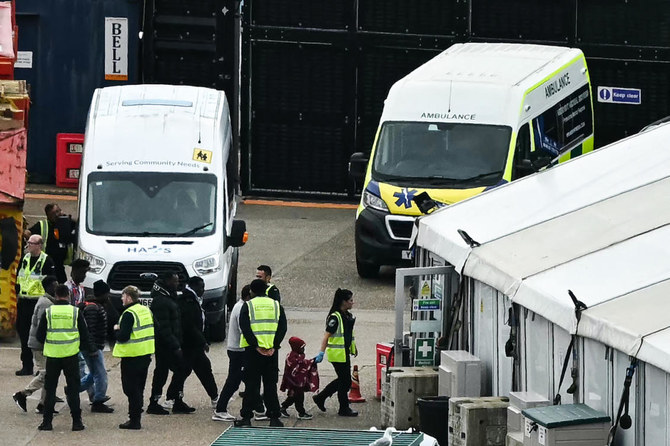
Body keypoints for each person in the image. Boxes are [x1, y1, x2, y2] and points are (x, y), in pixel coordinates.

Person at [36, 284, 97, 431]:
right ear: (68, 295)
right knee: (73, 389)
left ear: (56, 295)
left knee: (50, 390)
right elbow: (84, 334)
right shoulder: (75, 312)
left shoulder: (49, 312)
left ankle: (47, 422)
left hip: (53, 356)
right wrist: (91, 350)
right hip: (71, 356)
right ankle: (77, 422)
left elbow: (39, 336)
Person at [234, 279, 287, 427]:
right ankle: (274, 418)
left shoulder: (248, 305)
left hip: (253, 352)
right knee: (270, 385)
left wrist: (257, 346)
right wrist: (274, 346)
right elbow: (282, 328)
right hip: (272, 352)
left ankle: (246, 418)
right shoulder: (276, 305)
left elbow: (245, 327)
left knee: (251, 385)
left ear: (251, 291)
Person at [148, 272, 194, 414]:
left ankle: (176, 400)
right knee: (164, 372)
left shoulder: (169, 297)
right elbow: (164, 328)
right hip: (165, 345)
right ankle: (155, 402)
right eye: (174, 281)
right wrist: (175, 346)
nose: (177, 284)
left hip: (171, 343)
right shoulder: (161, 301)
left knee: (180, 370)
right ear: (167, 281)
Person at [13, 275, 59, 414]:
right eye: (55, 285)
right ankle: (22, 394)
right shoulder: (46, 303)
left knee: (49, 374)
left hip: (42, 343)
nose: (57, 287)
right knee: (46, 374)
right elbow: (42, 328)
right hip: (40, 345)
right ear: (49, 287)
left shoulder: (48, 301)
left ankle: (44, 404)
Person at [113, 285, 155, 430]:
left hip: (131, 357)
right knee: (139, 387)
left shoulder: (128, 313)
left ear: (129, 297)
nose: (121, 299)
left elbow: (123, 336)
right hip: (145, 355)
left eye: (123, 296)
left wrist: (116, 331)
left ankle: (134, 419)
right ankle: (136, 415)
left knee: (130, 389)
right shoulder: (145, 310)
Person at [312, 288, 359, 417]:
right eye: (350, 300)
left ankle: (321, 397)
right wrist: (321, 353)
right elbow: (326, 336)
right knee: (345, 382)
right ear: (343, 302)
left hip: (344, 353)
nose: (352, 303)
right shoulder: (335, 317)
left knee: (344, 381)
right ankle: (343, 408)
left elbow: (348, 335)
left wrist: (353, 347)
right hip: (337, 354)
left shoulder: (347, 315)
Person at [15, 234, 56, 376]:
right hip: (23, 301)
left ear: (39, 245)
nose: (28, 245)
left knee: (38, 335)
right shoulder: (25, 259)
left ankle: (42, 367)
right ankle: (27, 365)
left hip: (38, 302)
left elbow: (51, 281)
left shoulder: (46, 260)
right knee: (23, 332)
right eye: (28, 243)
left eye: (31, 243)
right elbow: (19, 277)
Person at [175, 276, 218, 406]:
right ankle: (215, 397)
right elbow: (190, 325)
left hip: (192, 344)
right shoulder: (188, 301)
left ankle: (174, 398)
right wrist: (203, 341)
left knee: (187, 371)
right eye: (201, 287)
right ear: (193, 286)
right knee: (197, 370)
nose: (203, 290)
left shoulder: (192, 299)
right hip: (190, 344)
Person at [213, 284, 251, 421]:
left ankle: (259, 408)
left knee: (248, 379)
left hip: (237, 349)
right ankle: (220, 409)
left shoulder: (239, 306)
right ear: (248, 296)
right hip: (238, 350)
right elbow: (244, 330)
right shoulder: (242, 308)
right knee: (234, 381)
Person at [78, 285, 113, 413]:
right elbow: (89, 331)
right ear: (102, 294)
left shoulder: (96, 306)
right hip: (93, 348)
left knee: (95, 373)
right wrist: (92, 349)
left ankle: (73, 388)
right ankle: (98, 401)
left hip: (94, 347)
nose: (108, 297)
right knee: (101, 374)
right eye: (107, 294)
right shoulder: (93, 308)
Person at [24, 203, 74, 283]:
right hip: (46, 265)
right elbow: (27, 233)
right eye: (54, 213)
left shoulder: (66, 223)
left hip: (60, 266)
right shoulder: (42, 225)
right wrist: (34, 244)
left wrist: (68, 219)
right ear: (48, 216)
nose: (57, 215)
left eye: (58, 211)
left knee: (62, 287)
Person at [279, 336, 318, 420]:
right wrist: (313, 361)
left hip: (294, 382)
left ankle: (283, 408)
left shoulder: (295, 356)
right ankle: (301, 412)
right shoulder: (293, 357)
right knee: (299, 397)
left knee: (293, 397)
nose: (304, 349)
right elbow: (301, 365)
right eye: (302, 348)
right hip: (294, 382)